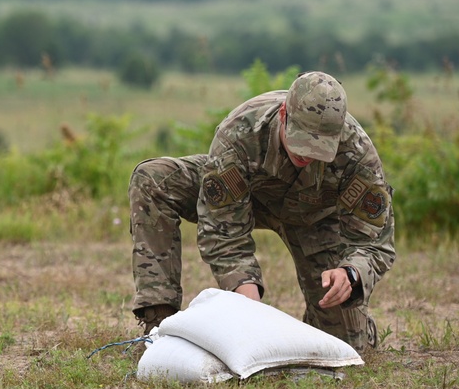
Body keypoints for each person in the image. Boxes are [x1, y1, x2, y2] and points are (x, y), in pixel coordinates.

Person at [129, 71, 395, 352]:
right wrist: (248, 301)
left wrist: (350, 273)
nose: (306, 155)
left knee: (344, 348)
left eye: (319, 148)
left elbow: (375, 241)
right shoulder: (241, 131)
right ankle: (157, 325)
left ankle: (346, 327)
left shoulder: (357, 152)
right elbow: (224, 233)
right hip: (245, 199)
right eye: (301, 139)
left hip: (315, 219)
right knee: (152, 178)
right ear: (283, 114)